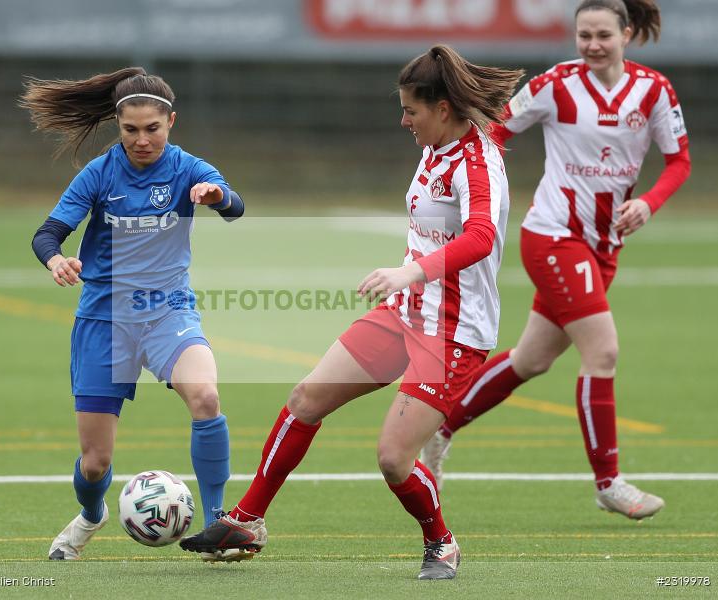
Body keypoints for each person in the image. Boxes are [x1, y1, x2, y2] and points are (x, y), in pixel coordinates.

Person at [179, 46, 522, 580]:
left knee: (393, 459)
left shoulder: (477, 164)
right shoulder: (438, 144)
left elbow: (480, 236)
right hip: (405, 313)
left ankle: (442, 542)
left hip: (454, 331)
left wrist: (410, 271)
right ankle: (246, 521)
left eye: (411, 110)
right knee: (306, 398)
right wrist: (409, 283)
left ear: (443, 110)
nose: (403, 119)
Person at [421, 0, 690, 520]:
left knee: (531, 359)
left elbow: (679, 160)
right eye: (583, 35)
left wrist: (647, 203)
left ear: (626, 34)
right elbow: (494, 132)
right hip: (553, 236)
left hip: (603, 247)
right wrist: (473, 191)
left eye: (602, 35)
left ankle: (439, 425)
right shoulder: (555, 85)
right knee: (603, 352)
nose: (592, 45)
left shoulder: (654, 90)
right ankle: (609, 482)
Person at [22, 67, 245, 561]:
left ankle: (216, 529)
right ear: (118, 127)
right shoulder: (100, 173)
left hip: (168, 311)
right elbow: (47, 233)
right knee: (96, 462)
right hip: (104, 319)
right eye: (131, 130)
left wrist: (217, 196)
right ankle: (90, 515)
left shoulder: (188, 168)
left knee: (205, 396)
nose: (142, 140)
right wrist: (57, 259)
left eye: (153, 129)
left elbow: (235, 206)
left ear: (171, 122)